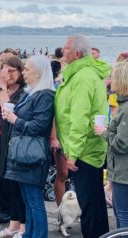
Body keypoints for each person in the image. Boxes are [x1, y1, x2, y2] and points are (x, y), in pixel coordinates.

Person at [55, 34, 110, 238]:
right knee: (93, 203)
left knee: (90, 206)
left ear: (77, 53)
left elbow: (79, 117)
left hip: (85, 151)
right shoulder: (79, 73)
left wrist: (73, 153)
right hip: (86, 148)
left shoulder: (83, 77)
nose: (62, 51)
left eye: (66, 48)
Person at [3, 55, 55, 238]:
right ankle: (29, 235)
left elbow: (39, 126)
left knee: (34, 200)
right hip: (25, 153)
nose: (23, 72)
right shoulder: (32, 92)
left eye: (27, 69)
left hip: (32, 155)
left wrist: (15, 119)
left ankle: (38, 235)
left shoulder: (45, 95)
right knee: (28, 199)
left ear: (39, 73)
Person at [0, 56, 26, 238]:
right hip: (2, 141)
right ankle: (13, 223)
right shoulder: (4, 91)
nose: (8, 75)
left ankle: (22, 227)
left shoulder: (23, 93)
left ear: (21, 72)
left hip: (17, 143)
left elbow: (7, 110)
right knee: (6, 184)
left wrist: (3, 86)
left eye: (12, 71)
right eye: (5, 71)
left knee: (16, 185)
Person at [94, 61, 128, 229]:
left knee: (123, 216)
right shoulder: (123, 106)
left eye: (113, 76)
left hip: (124, 173)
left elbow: (122, 144)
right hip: (121, 172)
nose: (110, 79)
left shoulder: (126, 109)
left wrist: (104, 132)